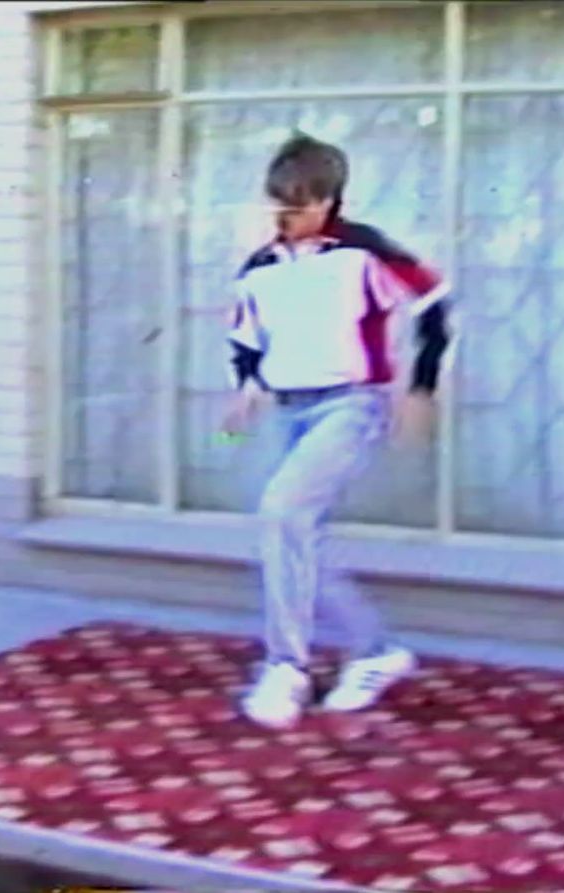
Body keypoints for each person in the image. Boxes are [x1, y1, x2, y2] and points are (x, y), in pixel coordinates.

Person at [221, 132, 452, 729]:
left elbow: (435, 300)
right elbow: (245, 336)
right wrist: (247, 383)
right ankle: (376, 650)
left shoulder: (363, 252)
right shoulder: (261, 266)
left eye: (297, 205)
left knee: (280, 512)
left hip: (351, 406)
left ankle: (286, 668)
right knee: (300, 533)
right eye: (277, 203)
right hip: (288, 408)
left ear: (327, 201)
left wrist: (420, 386)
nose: (285, 216)